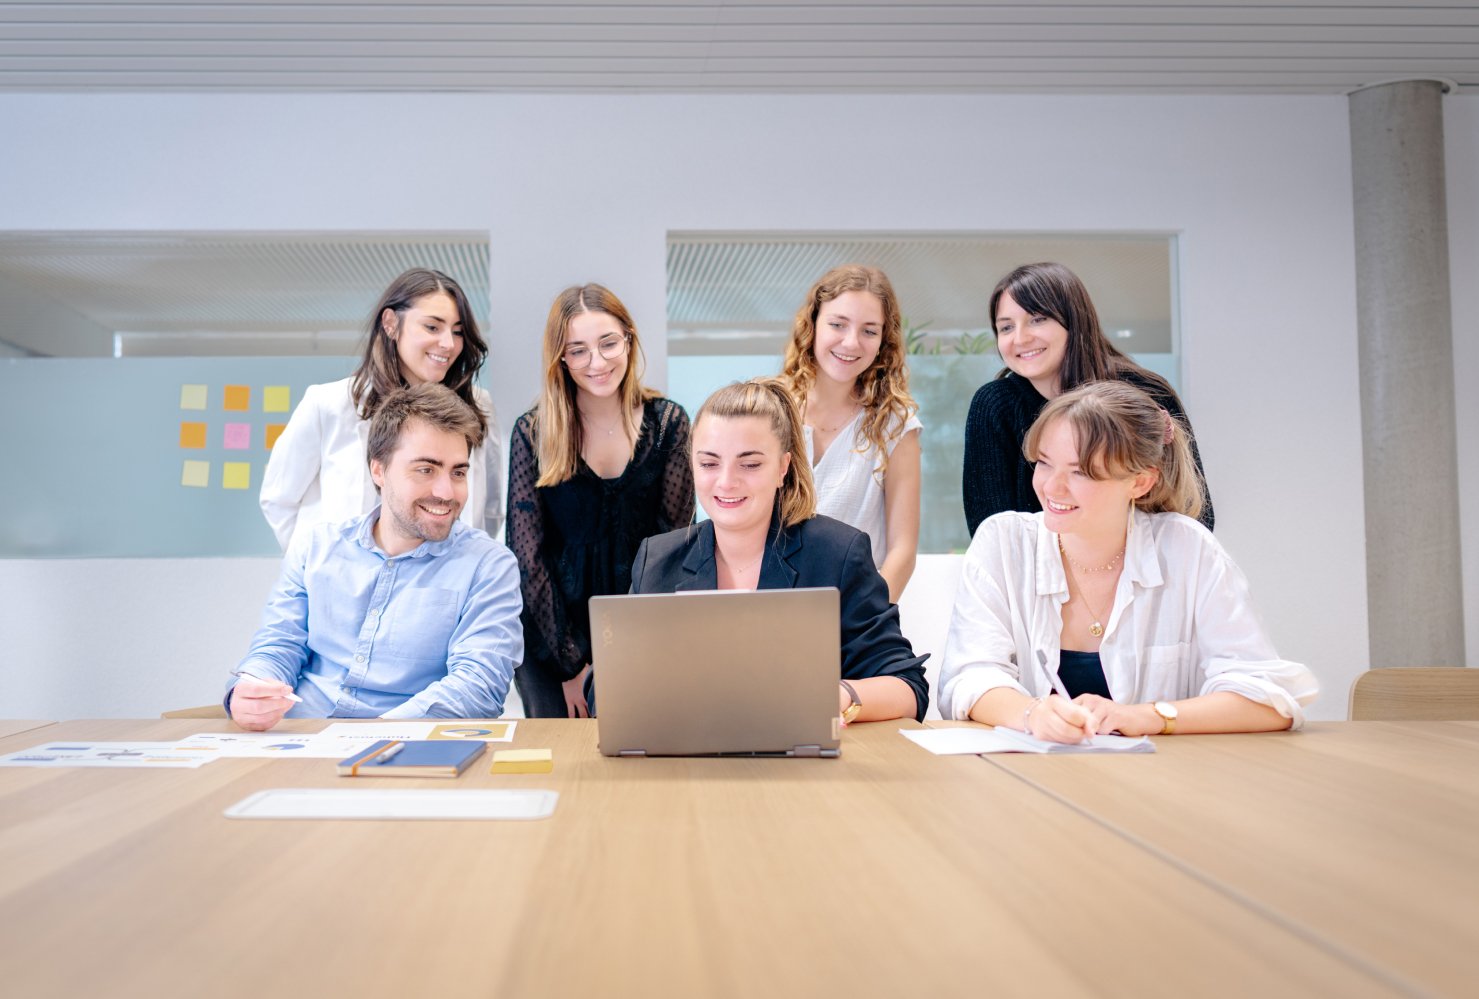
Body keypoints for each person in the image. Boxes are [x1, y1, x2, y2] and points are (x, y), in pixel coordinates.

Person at [938, 381, 1315, 742]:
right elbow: (968, 678)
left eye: (1080, 472)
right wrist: (1032, 713)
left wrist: (1144, 716)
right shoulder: (1003, 543)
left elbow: (1269, 700)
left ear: (1140, 482)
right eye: (1044, 463)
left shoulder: (1187, 549)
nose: (1052, 487)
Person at [630, 378, 929, 724]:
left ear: (782, 467)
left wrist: (840, 695)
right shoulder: (657, 559)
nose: (726, 481)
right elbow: (605, 691)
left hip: (804, 769)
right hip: (687, 763)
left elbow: (908, 687)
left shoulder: (838, 554)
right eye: (709, 463)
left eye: (750, 464)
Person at [229, 383, 523, 732]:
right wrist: (251, 689)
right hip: (300, 739)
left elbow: (478, 686)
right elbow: (278, 644)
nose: (447, 492)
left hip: (409, 747)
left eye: (458, 472)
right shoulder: (316, 547)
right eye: (426, 470)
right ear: (378, 471)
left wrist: (368, 734)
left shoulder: (489, 565)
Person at [506, 284, 694, 718]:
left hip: (646, 632)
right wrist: (571, 665)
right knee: (564, 766)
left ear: (628, 338)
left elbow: (674, 548)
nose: (597, 362)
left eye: (608, 343)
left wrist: (626, 655)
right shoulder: (533, 434)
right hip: (553, 640)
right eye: (578, 350)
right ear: (561, 358)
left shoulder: (668, 425)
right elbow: (527, 560)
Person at [962, 261, 1214, 537]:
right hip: (1036, 576)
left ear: (1074, 321)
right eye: (1006, 327)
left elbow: (1196, 515)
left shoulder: (1145, 392)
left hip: (1144, 570)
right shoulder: (995, 405)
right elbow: (991, 534)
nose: (1020, 338)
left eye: (1037, 319)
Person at [260, 268, 502, 552]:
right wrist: (319, 569)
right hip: (344, 587)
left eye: (458, 332)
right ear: (390, 323)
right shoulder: (329, 404)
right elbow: (279, 500)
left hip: (443, 582)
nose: (448, 344)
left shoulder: (478, 406)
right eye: (432, 327)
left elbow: (490, 510)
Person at [778, 264, 920, 602]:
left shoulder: (896, 425)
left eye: (869, 331)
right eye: (838, 325)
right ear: (811, 324)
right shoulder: (772, 409)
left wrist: (867, 622)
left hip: (861, 619)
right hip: (773, 609)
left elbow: (902, 550)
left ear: (884, 340)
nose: (851, 342)